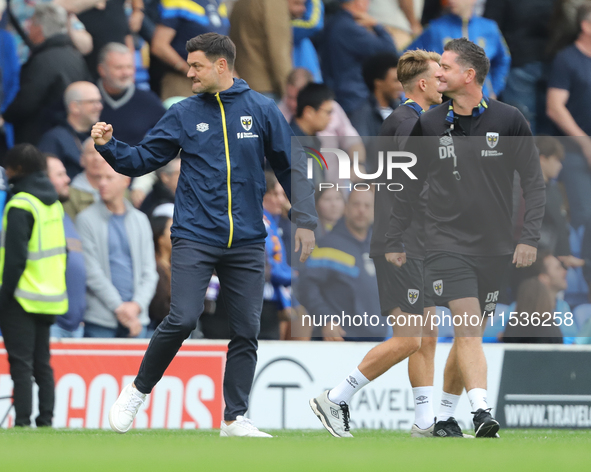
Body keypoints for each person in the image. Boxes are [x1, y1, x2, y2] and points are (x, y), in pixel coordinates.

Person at [91, 33, 316, 437]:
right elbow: (142, 159)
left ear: (221, 66)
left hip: (247, 239)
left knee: (247, 328)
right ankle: (138, 391)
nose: (188, 72)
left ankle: (234, 418)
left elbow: (292, 165)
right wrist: (109, 147)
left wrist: (306, 220)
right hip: (195, 235)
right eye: (189, 65)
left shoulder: (262, 110)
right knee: (182, 318)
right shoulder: (182, 113)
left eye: (195, 66)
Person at [385, 38, 545, 438]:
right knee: (469, 328)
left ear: (469, 76)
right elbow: (407, 186)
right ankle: (482, 410)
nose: (437, 72)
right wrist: (394, 238)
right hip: (445, 245)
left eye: (446, 67)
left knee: (465, 336)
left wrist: (528, 237)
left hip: (495, 249)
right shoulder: (429, 123)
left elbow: (535, 184)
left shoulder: (510, 120)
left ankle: (443, 417)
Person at [309, 49, 444, 438]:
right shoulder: (406, 122)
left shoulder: (412, 120)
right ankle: (335, 397)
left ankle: (424, 422)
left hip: (419, 243)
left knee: (428, 332)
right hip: (402, 245)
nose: (443, 83)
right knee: (408, 339)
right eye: (438, 77)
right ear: (422, 83)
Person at [0, 144, 68, 427]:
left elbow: (14, 261)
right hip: (49, 294)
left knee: (21, 363)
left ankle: (24, 421)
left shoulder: (20, 205)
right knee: (42, 363)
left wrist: (3, 298)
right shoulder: (52, 202)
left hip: (22, 296)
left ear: (17, 170)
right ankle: (46, 420)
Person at [76, 162, 158, 338]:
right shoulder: (85, 219)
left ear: (126, 181)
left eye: (109, 178)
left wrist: (136, 306)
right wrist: (120, 309)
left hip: (137, 318)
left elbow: (150, 271)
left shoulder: (140, 220)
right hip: (100, 321)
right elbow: (92, 272)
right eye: (100, 178)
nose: (102, 183)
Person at [299, 188, 389, 341]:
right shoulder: (328, 245)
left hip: (376, 340)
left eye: (367, 206)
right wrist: (325, 319)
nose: (361, 210)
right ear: (346, 208)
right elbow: (306, 286)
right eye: (356, 204)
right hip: (339, 340)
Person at [3, 3, 90, 145]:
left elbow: (25, 103)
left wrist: (7, 115)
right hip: (70, 138)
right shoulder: (75, 57)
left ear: (39, 29)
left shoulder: (42, 61)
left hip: (42, 139)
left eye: (31, 24)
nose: (28, 28)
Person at [408, 0, 511, 99]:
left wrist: (494, 90)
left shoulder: (489, 28)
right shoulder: (435, 29)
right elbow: (406, 58)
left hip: (481, 103)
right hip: (444, 106)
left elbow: (503, 60)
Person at [547, 3, 591, 230]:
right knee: (584, 217)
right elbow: (554, 107)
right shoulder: (567, 59)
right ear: (586, 26)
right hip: (575, 153)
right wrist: (585, 143)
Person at [483, 0, 555, 134]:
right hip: (549, 58)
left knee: (523, 121)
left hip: (518, 59)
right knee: (547, 121)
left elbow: (490, 27)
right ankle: (547, 154)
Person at [320, 0, 397, 115]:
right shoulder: (347, 27)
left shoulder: (334, 21)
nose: (368, 4)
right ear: (359, 2)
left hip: (343, 94)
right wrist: (376, 25)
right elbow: (389, 51)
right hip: (353, 99)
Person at [151, 0, 229, 100]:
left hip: (214, 84)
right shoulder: (176, 2)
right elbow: (159, 46)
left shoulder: (217, 3)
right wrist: (189, 70)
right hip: (182, 81)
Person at [46, 155, 87, 338]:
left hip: (75, 327)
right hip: (51, 325)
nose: (68, 179)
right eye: (60, 174)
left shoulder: (64, 216)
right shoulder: (38, 217)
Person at [97, 43, 165, 146]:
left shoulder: (148, 100)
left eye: (129, 67)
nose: (126, 73)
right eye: (119, 68)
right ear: (102, 70)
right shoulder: (86, 96)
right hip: (92, 158)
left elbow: (171, 131)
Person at [38, 81, 103, 179]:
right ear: (74, 107)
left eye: (99, 101)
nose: (99, 107)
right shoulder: (53, 139)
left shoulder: (100, 135)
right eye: (92, 102)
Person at [230, 0, 293, 100]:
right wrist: (291, 94)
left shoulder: (240, 2)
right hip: (266, 88)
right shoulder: (273, 3)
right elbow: (279, 52)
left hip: (243, 84)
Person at [291, 0, 324, 82]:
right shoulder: (289, 28)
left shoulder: (298, 27)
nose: (304, 9)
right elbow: (313, 23)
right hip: (298, 87)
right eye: (297, 3)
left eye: (304, 4)